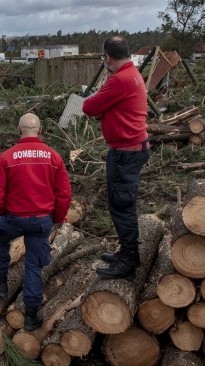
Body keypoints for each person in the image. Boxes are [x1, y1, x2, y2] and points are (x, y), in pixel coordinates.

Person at [0, 113, 71, 331]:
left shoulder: (7, 157)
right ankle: (31, 316)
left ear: (18, 130)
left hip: (13, 219)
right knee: (34, 266)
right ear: (40, 130)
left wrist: (3, 211)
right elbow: (64, 194)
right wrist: (57, 219)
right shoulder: (54, 157)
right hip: (41, 222)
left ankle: (1, 282)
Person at [82, 36, 150, 280]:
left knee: (122, 205)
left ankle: (129, 259)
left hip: (125, 153)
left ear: (108, 58)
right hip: (130, 149)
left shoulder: (119, 80)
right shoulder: (131, 74)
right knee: (122, 203)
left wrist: (102, 109)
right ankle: (126, 250)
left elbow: (88, 107)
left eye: (103, 58)